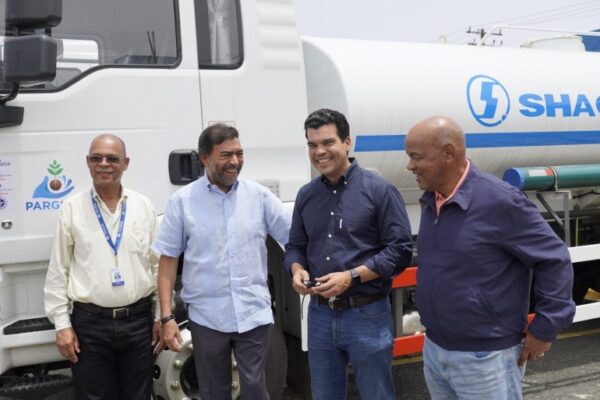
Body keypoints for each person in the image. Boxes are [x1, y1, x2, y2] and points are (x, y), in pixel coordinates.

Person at [404, 116, 576, 399]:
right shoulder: (432, 200)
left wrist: (545, 328)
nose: (410, 165)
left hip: (486, 358)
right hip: (435, 349)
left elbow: (553, 260)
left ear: (448, 153)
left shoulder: (500, 200)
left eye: (416, 157)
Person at [153, 123, 290, 400]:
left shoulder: (259, 197)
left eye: (239, 153)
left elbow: (294, 239)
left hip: (253, 314)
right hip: (207, 318)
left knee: (255, 390)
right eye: (226, 155)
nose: (235, 161)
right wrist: (167, 317)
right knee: (214, 392)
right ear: (204, 158)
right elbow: (167, 262)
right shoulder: (182, 202)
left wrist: (301, 269)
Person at [283, 109, 413, 400]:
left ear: (347, 142)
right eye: (312, 144)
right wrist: (297, 270)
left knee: (377, 395)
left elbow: (400, 251)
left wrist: (352, 277)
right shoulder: (306, 195)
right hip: (319, 314)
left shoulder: (379, 190)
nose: (319, 151)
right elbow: (295, 246)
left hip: (367, 314)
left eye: (327, 142)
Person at [44, 134, 162, 400]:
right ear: (88, 162)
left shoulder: (143, 206)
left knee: (139, 396)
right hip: (89, 326)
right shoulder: (71, 209)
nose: (104, 164)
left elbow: (157, 266)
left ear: (126, 163)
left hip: (138, 323)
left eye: (112, 158)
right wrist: (62, 325)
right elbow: (58, 271)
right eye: (96, 158)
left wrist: (159, 316)